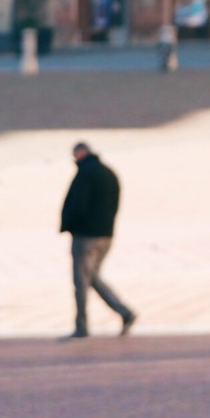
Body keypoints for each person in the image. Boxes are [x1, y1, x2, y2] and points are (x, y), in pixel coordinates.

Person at [59, 142, 136, 339]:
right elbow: (115, 203)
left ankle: (82, 326)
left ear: (82, 152)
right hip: (106, 235)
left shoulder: (85, 174)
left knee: (81, 281)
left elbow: (77, 204)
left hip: (86, 237)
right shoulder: (109, 173)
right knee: (92, 276)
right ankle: (124, 312)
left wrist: (70, 225)